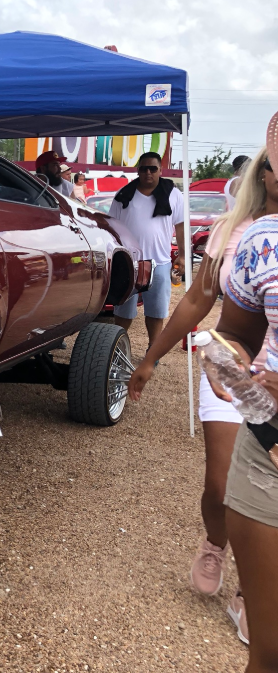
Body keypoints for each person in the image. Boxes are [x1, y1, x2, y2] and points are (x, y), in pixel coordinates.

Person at [130, 146, 278, 646]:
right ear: (265, 172)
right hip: (233, 372)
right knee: (220, 485)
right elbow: (197, 298)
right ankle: (216, 541)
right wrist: (151, 359)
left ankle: (250, 593)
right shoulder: (236, 231)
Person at [211, 145, 278, 669]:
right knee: (269, 651)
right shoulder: (260, 240)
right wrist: (228, 360)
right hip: (268, 445)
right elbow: (237, 332)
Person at [108, 152, 186, 351]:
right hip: (129, 263)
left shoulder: (173, 194)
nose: (148, 173)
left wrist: (183, 255)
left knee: (156, 311)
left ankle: (154, 349)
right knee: (123, 310)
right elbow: (111, 228)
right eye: (144, 168)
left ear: (161, 170)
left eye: (153, 168)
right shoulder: (123, 196)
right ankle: (119, 348)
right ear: (138, 171)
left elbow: (181, 227)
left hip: (159, 262)